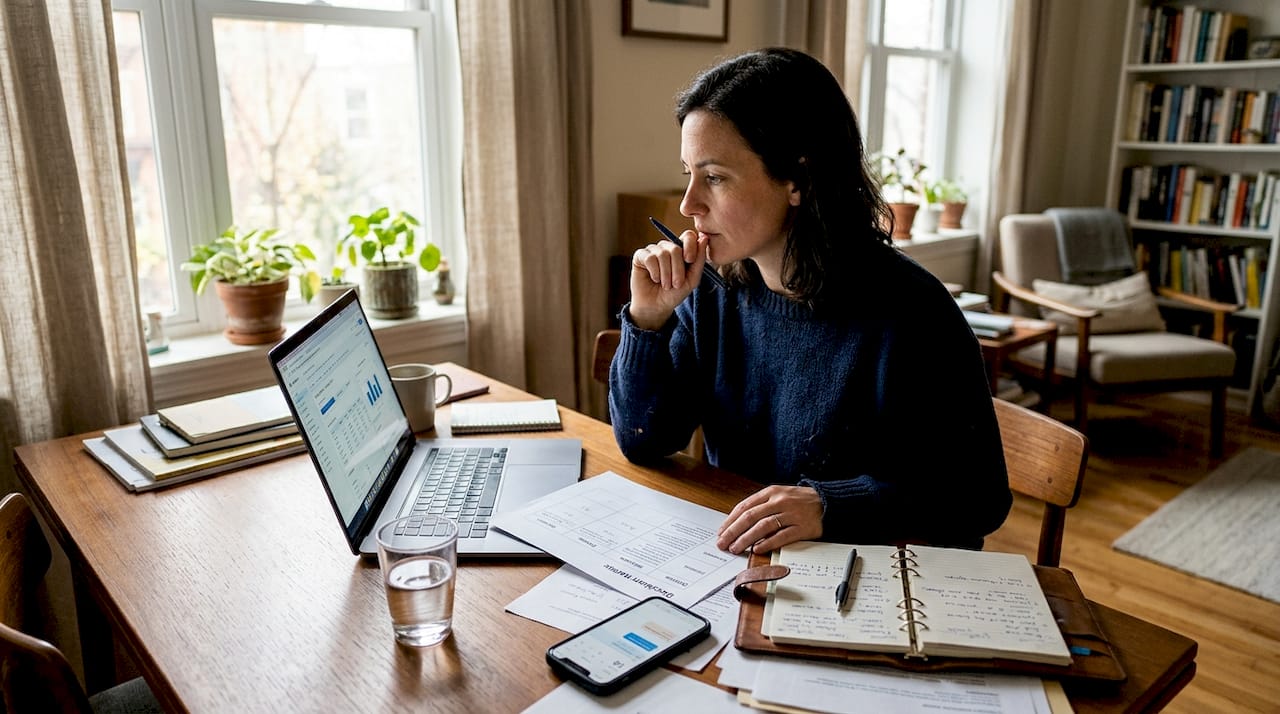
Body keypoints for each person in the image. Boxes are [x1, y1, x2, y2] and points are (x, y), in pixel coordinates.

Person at [609, 48, 1010, 556]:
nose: (689, 204)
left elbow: (978, 499)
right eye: (688, 173)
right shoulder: (712, 292)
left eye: (714, 177)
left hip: (862, 580)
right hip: (738, 564)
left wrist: (828, 505)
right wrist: (647, 320)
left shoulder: (912, 312)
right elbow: (644, 440)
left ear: (797, 178)